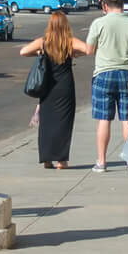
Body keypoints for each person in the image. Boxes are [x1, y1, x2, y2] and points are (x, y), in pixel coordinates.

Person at [20, 9, 93, 169]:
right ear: (65, 25)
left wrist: (39, 53)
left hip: (48, 86)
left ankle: (46, 159)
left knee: (46, 123)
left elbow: (23, 51)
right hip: (65, 86)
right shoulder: (69, 41)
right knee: (63, 123)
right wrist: (74, 54)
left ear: (50, 25)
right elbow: (89, 49)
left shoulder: (44, 41)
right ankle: (61, 160)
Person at [86, 0, 128, 171]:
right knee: (127, 119)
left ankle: (101, 162)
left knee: (104, 119)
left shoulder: (98, 23)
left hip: (104, 73)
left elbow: (89, 50)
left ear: (105, 5)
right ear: (122, 5)